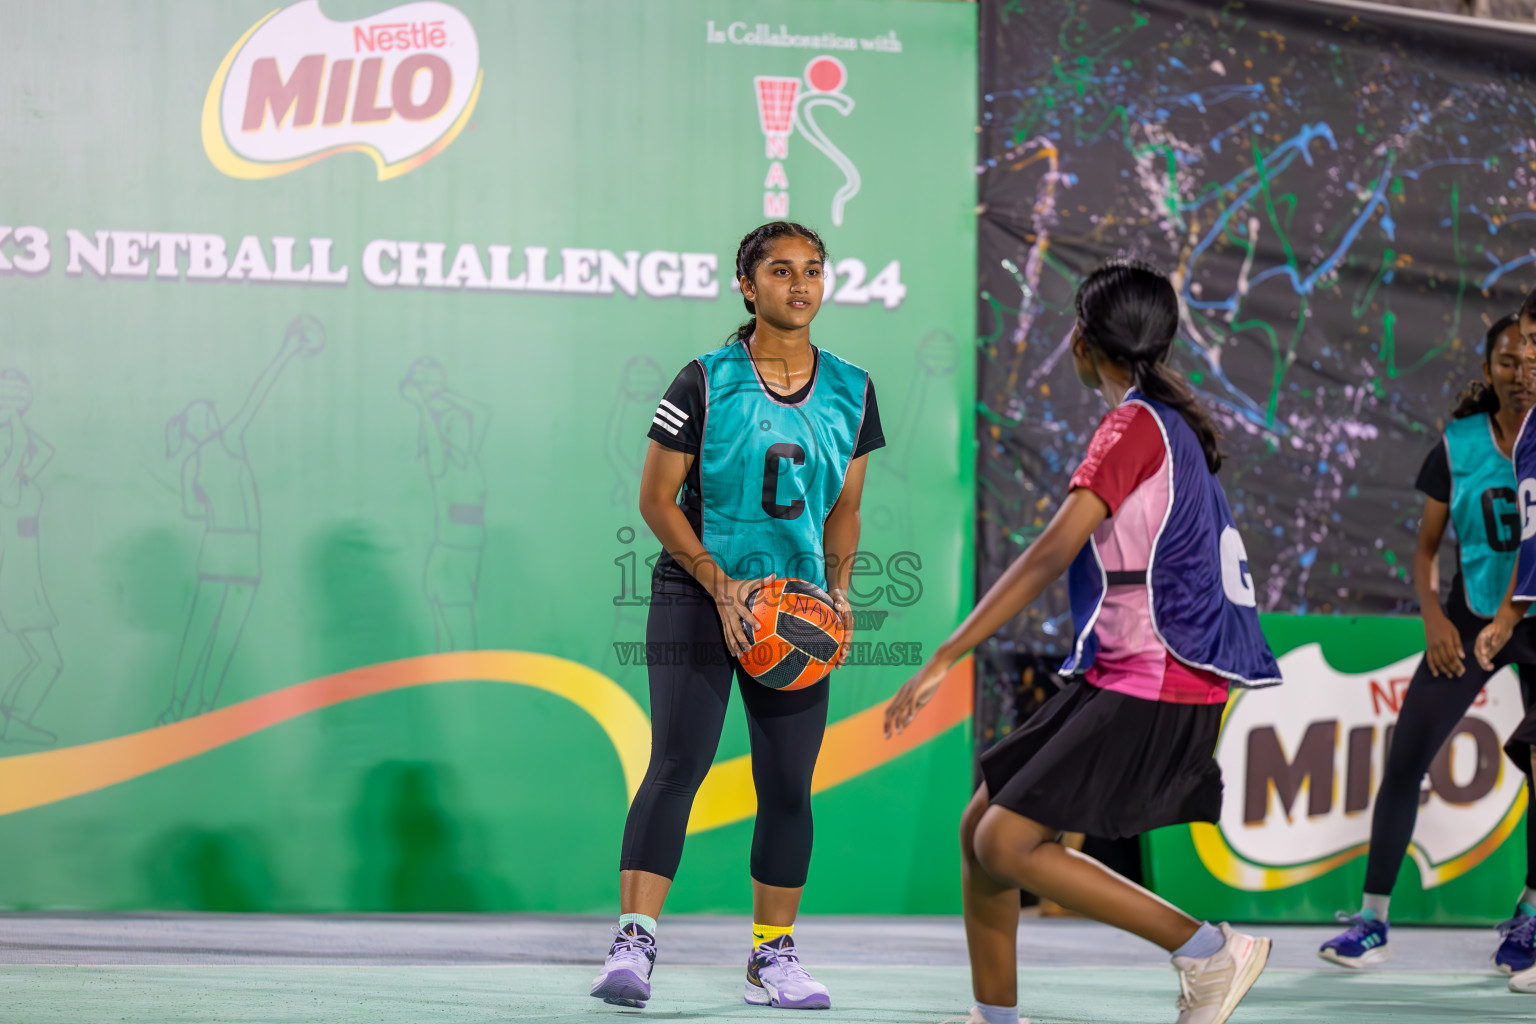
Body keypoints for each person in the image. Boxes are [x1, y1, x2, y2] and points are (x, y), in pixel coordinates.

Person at [886, 260, 1279, 1024]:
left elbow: (1048, 554)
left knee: (1004, 843)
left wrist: (946, 654)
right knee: (980, 829)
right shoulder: (1164, 422)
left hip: (1160, 673)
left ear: (1082, 341)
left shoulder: (1134, 424)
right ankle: (996, 1017)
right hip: (1129, 668)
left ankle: (1208, 952)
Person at [589, 221, 885, 1011]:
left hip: (793, 607)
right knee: (678, 762)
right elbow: (656, 500)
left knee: (787, 781)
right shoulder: (704, 380)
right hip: (700, 590)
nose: (800, 284)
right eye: (780, 271)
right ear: (747, 287)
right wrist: (722, 589)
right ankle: (634, 942)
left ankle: (772, 955)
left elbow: (846, 507)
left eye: (813, 270)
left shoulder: (854, 388)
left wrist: (838, 593)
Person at [1319, 312, 1536, 977]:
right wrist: (1434, 620)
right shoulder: (1459, 444)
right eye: (1506, 360)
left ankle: (1529, 915)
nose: (1518, 371)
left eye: (1527, 358)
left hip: (1531, 620)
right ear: (1489, 369)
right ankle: (1373, 918)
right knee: (1406, 755)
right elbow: (1425, 548)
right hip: (1470, 621)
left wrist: (1511, 614)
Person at [157, 316, 324, 724]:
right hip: (242, 550)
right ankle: (201, 708)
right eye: (206, 414)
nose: (213, 415)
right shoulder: (227, 442)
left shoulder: (191, 464)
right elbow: (257, 397)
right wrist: (286, 351)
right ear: (197, 426)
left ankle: (181, 708)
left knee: (203, 636)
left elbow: (193, 511)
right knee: (221, 640)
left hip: (219, 546)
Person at [400, 358, 491, 652]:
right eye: (456, 429)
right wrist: (422, 405)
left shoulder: (472, 462)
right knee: (449, 635)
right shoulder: (442, 465)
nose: (464, 433)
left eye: (466, 428)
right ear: (446, 437)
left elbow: (482, 412)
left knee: (457, 634)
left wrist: (442, 392)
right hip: (450, 555)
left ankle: (462, 687)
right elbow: (432, 434)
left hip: (466, 556)